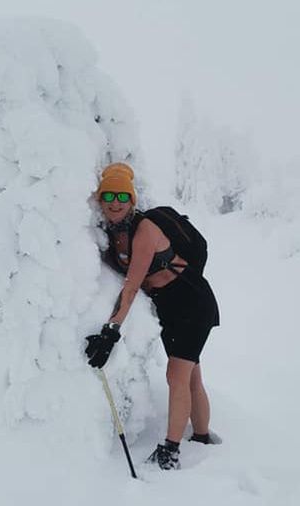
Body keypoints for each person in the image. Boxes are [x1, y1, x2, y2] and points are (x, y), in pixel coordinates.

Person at [84, 162, 220, 470]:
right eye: (108, 197)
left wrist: (110, 332)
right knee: (190, 375)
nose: (115, 203)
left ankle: (170, 451)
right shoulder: (112, 233)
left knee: (177, 375)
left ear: (132, 200)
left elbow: (131, 287)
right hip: (169, 307)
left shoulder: (145, 230)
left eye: (121, 196)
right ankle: (201, 438)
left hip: (192, 301)